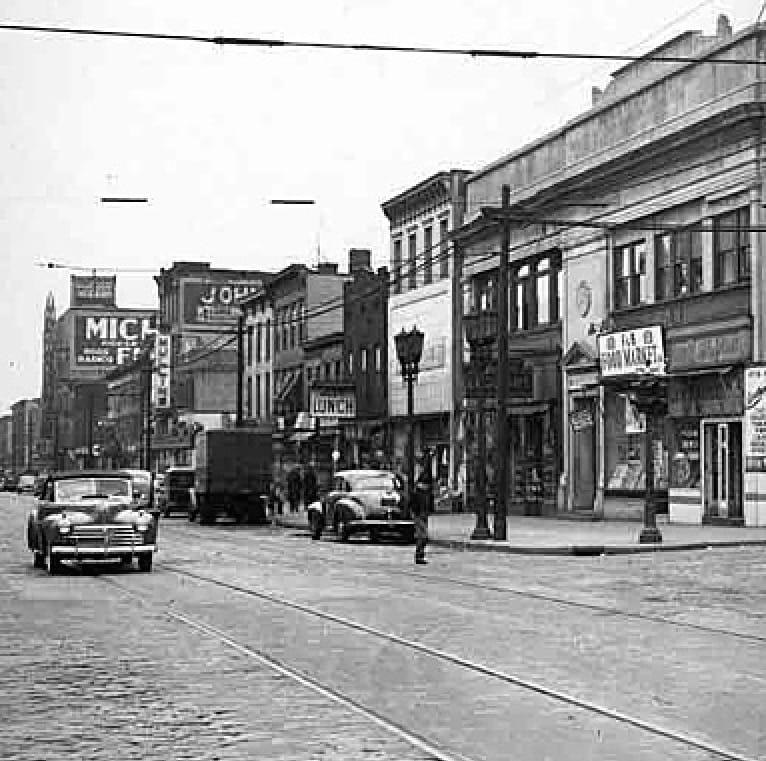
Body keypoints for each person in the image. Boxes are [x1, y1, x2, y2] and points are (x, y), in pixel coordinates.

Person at [412, 450, 434, 565]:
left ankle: (420, 555)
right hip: (420, 514)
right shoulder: (418, 492)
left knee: (423, 536)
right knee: (423, 535)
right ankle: (419, 555)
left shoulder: (425, 492)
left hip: (422, 514)